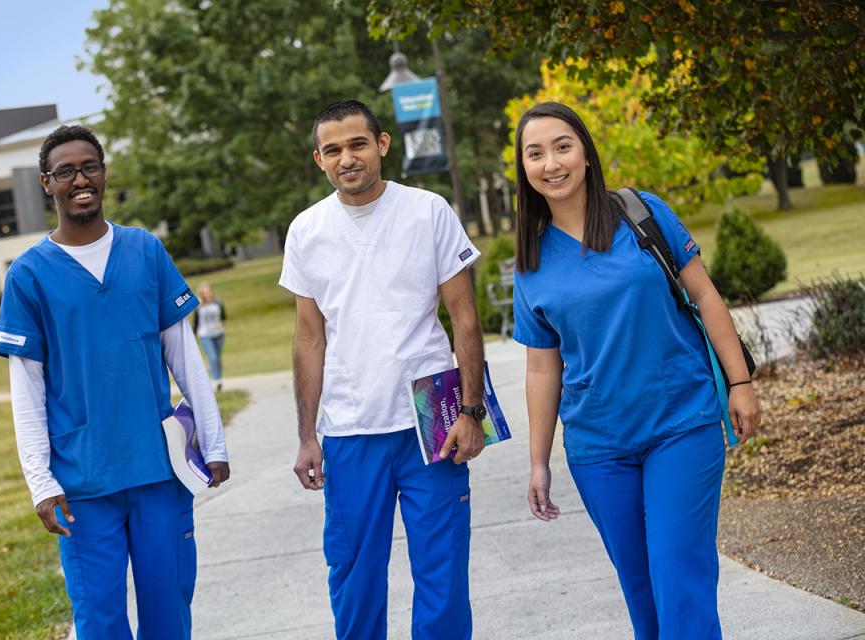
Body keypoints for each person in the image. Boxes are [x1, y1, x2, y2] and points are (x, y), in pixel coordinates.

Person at [511, 102, 761, 639]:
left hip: (681, 423)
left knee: (680, 575)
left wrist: (739, 382)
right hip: (599, 447)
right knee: (641, 586)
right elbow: (541, 368)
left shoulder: (640, 212)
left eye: (562, 146)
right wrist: (538, 461)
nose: (551, 163)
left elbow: (706, 296)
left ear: (584, 152)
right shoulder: (530, 260)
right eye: (535, 154)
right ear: (524, 169)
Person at [0, 125, 230, 640]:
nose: (81, 179)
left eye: (90, 167)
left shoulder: (145, 250)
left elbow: (184, 357)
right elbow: (26, 391)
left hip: (158, 472)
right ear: (46, 183)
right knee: (100, 621)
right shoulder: (29, 274)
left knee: (170, 614)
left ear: (104, 174)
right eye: (66, 171)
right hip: (82, 484)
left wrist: (213, 441)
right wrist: (40, 481)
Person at [280, 100, 486, 639]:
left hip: (431, 419)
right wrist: (307, 436)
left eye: (357, 144)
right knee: (354, 576)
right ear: (319, 160)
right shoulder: (306, 231)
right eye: (333, 150)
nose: (347, 158)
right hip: (350, 427)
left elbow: (464, 316)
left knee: (442, 573)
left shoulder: (428, 211)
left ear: (382, 144)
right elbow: (308, 338)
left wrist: (471, 411)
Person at [192, 282, 226, 390]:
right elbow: (196, 323)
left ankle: (214, 372)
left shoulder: (218, 303)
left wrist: (221, 323)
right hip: (205, 335)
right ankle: (217, 381)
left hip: (219, 334)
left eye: (208, 291)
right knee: (213, 357)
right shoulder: (198, 306)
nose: (207, 294)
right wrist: (194, 337)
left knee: (217, 358)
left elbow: (223, 316)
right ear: (201, 294)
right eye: (204, 292)